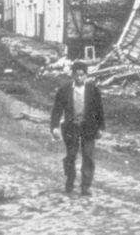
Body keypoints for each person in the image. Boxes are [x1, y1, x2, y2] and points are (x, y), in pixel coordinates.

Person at [50, 61, 105, 196]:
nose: (79, 78)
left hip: (88, 128)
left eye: (82, 75)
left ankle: (86, 186)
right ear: (72, 75)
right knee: (71, 155)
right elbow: (57, 109)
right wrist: (54, 127)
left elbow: (99, 110)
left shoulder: (93, 89)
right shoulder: (65, 89)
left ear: (86, 75)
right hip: (71, 127)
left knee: (88, 156)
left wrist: (101, 127)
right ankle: (70, 179)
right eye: (76, 75)